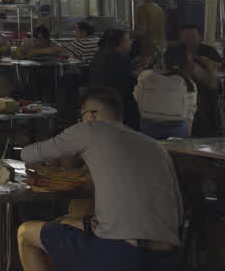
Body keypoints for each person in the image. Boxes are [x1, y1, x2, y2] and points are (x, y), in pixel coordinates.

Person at [16, 86, 180, 271]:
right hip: (167, 257)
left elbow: (28, 154)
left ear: (90, 116)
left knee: (26, 233)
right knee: (65, 222)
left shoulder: (89, 129)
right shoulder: (156, 146)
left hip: (121, 253)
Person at [134, 43, 196, 139]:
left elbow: (137, 98)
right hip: (178, 129)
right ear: (186, 63)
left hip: (149, 127)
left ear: (165, 60)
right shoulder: (189, 84)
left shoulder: (146, 76)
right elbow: (190, 117)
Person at [89, 29, 138, 129]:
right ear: (120, 43)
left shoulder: (99, 54)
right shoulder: (120, 58)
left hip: (98, 100)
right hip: (118, 103)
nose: (131, 42)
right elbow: (134, 78)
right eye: (128, 39)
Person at [180, 24, 222, 136]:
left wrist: (210, 66)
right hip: (182, 96)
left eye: (193, 37)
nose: (190, 41)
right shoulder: (177, 52)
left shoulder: (209, 51)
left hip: (206, 96)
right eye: (186, 37)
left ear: (200, 38)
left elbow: (219, 70)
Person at [132, 0, 166, 65]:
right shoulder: (159, 9)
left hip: (146, 53)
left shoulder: (142, 9)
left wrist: (126, 34)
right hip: (159, 52)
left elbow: (141, 32)